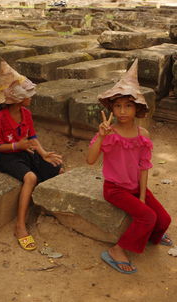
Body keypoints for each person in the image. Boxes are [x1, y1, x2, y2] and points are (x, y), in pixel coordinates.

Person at [87, 59, 172, 274]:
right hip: (115, 189)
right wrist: (100, 137)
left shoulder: (143, 136)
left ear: (138, 108)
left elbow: (144, 167)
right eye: (117, 106)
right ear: (112, 109)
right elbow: (90, 160)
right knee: (148, 217)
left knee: (164, 220)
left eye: (128, 105)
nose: (122, 111)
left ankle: (151, 235)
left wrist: (142, 197)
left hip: (135, 187)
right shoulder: (109, 133)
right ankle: (116, 250)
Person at [0, 60, 63, 251]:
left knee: (56, 167)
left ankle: (45, 207)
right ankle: (20, 225)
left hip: (24, 151)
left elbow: (32, 137)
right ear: (17, 98)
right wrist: (16, 145)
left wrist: (44, 154)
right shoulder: (0, 118)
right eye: (28, 94)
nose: (32, 97)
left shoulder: (26, 113)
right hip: (6, 156)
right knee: (30, 177)